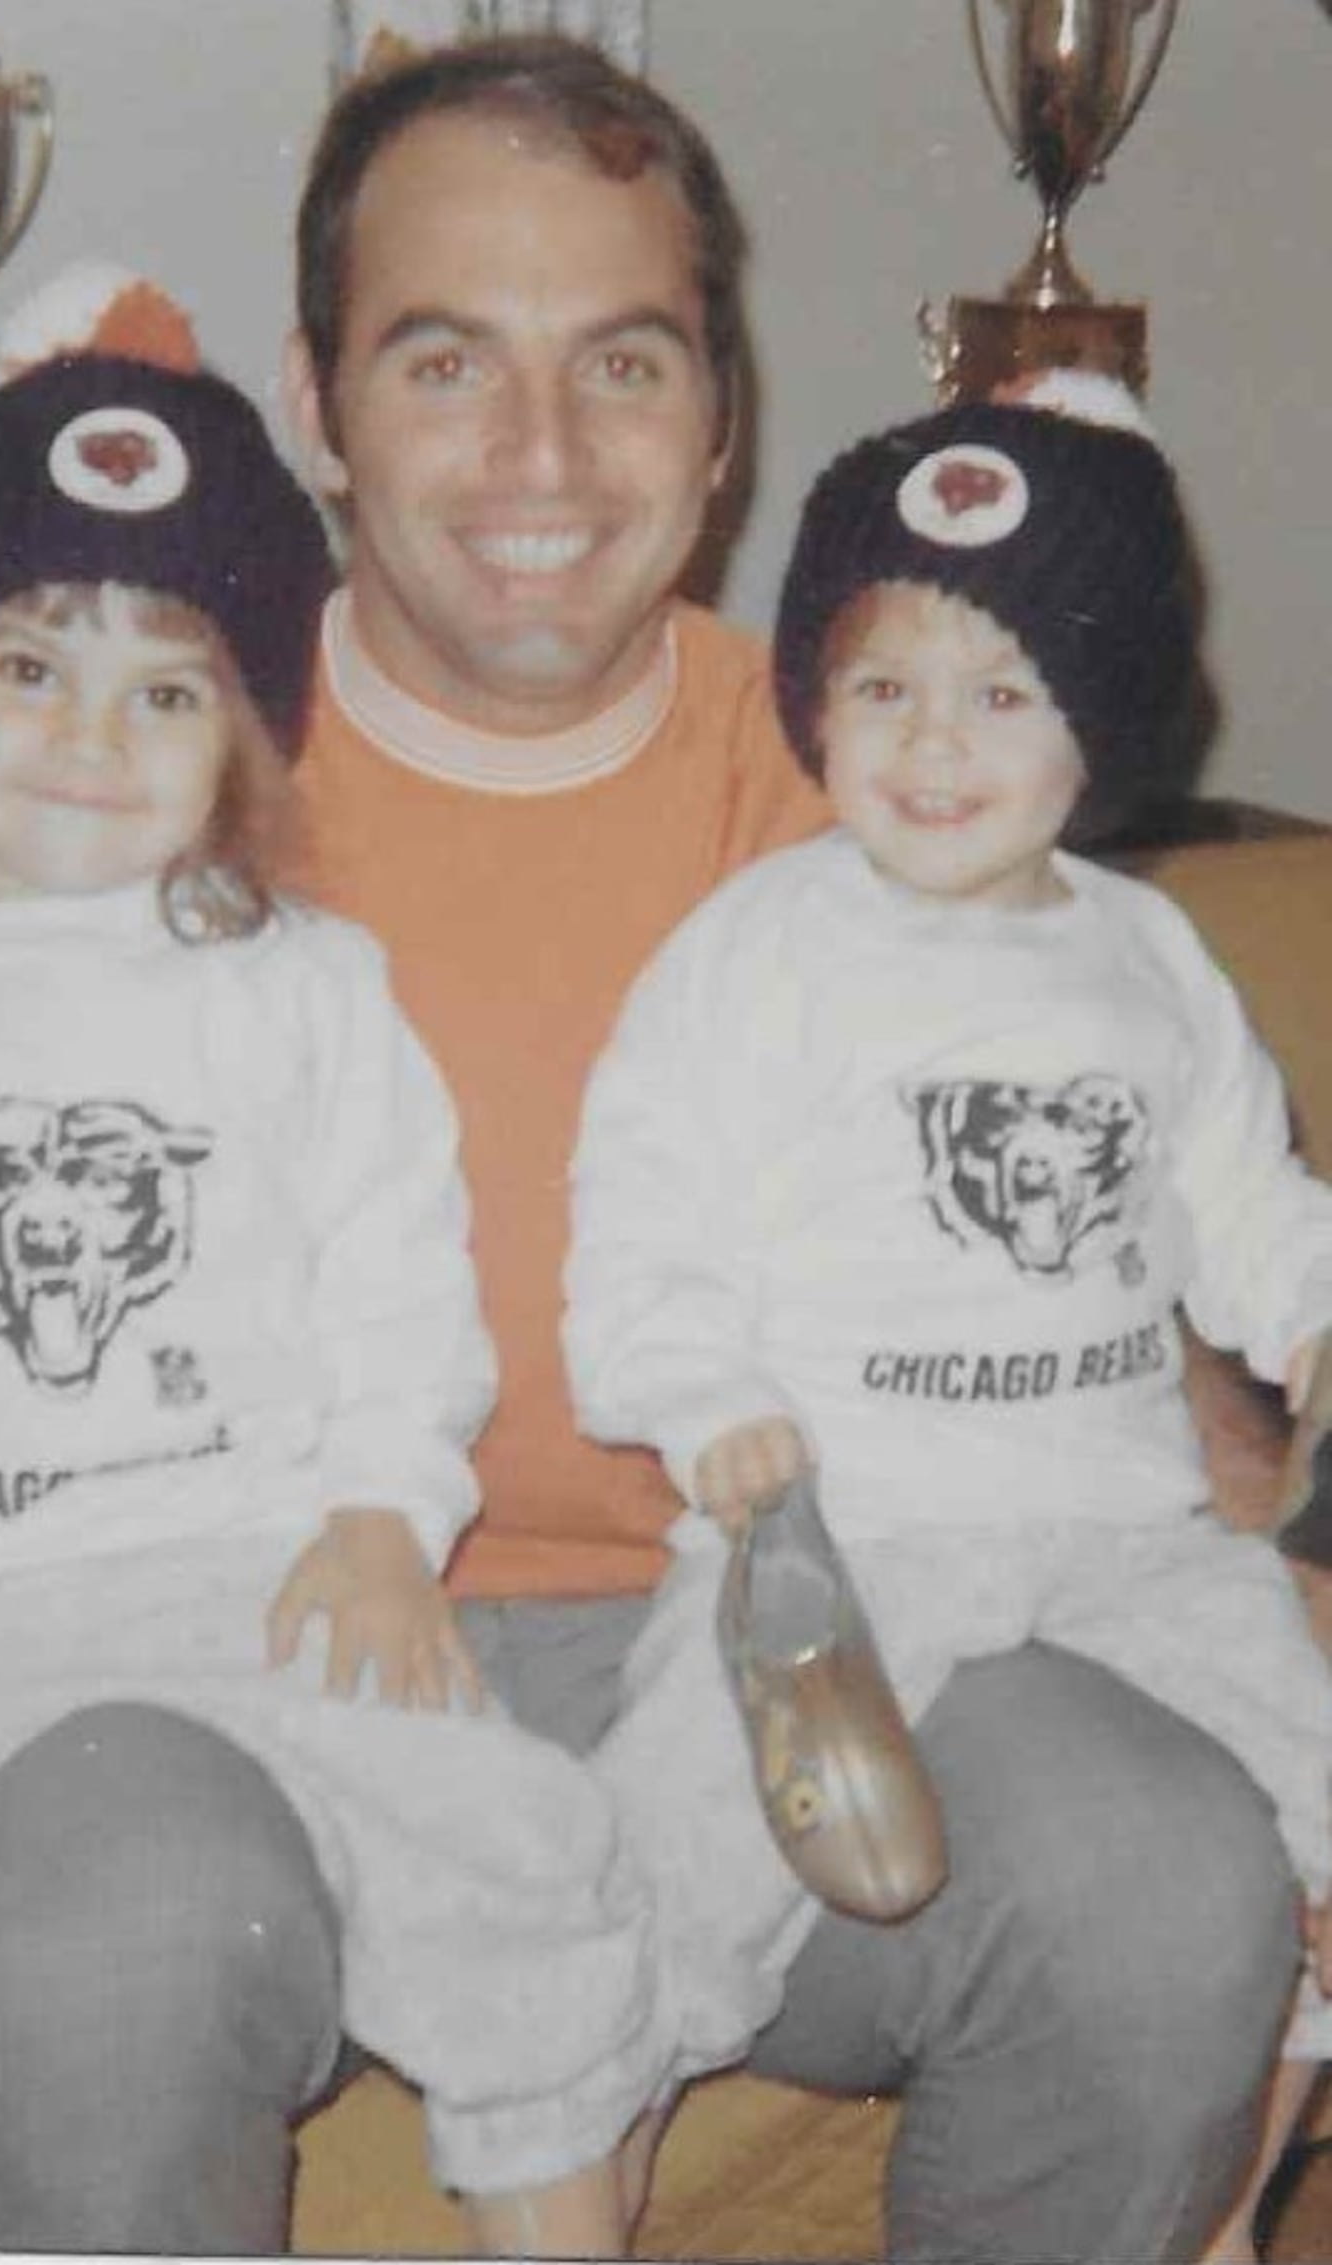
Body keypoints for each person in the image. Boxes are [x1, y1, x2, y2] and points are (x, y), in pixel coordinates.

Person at [0, 34, 1303, 2261]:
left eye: (624, 361)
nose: (541, 455)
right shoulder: (126, 778)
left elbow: (1145, 1273)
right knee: (125, 1914)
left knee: (1168, 1882)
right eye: (447, 357)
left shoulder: (898, 765)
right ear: (313, 399)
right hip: (232, 1643)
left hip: (796, 1630)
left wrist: (1276, 1574)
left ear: (723, 416)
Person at [0, 319, 670, 2254]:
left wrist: (382, 1518)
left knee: (529, 1864)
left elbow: (401, 1295)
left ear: (243, 737)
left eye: (165, 692)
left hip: (254, 1581)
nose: (89, 736)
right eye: (26, 667)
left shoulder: (305, 986)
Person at [564, 389, 1332, 2255]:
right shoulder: (762, 945)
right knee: (668, 1839)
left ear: (1105, 726)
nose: (933, 741)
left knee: (1318, 1806)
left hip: (1125, 1535)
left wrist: (1311, 1315)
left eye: (1003, 694)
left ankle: (1220, 2196)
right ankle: (578, 2132)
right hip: (843, 1530)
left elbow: (1243, 1202)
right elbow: (640, 1213)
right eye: (887, 683)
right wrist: (706, 1395)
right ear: (818, 703)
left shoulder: (1145, 959)